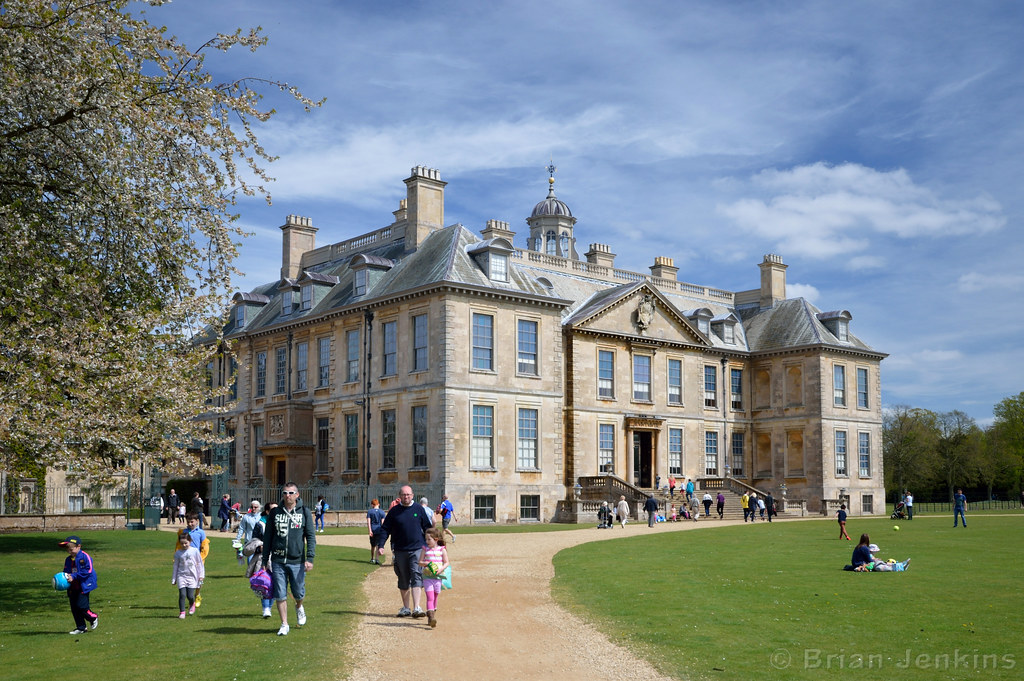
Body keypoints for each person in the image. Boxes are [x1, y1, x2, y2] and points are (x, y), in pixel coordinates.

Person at [263, 482, 315, 636]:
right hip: (278, 560)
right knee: (280, 593)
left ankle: (299, 606)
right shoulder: (275, 513)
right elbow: (268, 537)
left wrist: (310, 558)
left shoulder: (304, 512)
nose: (288, 496)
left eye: (291, 493)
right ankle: (284, 624)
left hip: (297, 560)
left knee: (298, 592)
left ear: (297, 495)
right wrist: (265, 559)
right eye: (285, 493)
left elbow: (311, 537)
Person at [378, 485, 434, 618]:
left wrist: (434, 543)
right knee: (403, 577)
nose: (406, 497)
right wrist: (381, 545)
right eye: (404, 495)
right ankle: (406, 608)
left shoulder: (419, 509)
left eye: (408, 494)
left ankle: (417, 608)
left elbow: (427, 527)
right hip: (399, 549)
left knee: (416, 575)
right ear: (399, 496)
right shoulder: (394, 511)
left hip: (417, 549)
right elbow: (385, 529)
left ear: (413, 495)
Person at [60, 536, 98, 634]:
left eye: (71, 549)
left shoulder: (85, 557)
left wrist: (74, 576)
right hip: (73, 586)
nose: (69, 551)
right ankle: (81, 628)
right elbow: (66, 571)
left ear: (79, 546)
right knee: (74, 607)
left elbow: (88, 571)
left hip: (84, 585)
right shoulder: (68, 560)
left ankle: (93, 617)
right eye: (67, 549)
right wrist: (64, 578)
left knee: (82, 606)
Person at [419, 527, 450, 628]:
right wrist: (426, 563)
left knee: (436, 596)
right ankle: (431, 617)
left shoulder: (442, 550)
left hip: (438, 578)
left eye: (429, 539)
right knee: (430, 597)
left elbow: (446, 562)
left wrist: (441, 569)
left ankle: (432, 613)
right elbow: (420, 562)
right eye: (426, 539)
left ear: (436, 539)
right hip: (428, 577)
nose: (427, 541)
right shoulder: (425, 549)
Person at [177, 512, 209, 607]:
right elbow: (179, 545)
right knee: (188, 577)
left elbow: (204, 546)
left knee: (199, 579)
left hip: (198, 559)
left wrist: (201, 557)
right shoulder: (184, 532)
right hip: (186, 560)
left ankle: (197, 594)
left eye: (192, 522)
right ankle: (189, 595)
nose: (190, 524)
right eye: (188, 522)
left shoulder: (201, 532)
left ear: (197, 521)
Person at [172, 533, 205, 618]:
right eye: (182, 543)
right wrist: (174, 578)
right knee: (182, 594)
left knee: (190, 595)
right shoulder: (178, 553)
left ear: (190, 541)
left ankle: (192, 603)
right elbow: (175, 566)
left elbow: (199, 563)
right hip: (181, 576)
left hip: (192, 576)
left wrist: (201, 575)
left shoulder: (194, 551)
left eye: (186, 543)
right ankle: (182, 612)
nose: (184, 545)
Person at [235, 500, 263, 564]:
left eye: (255, 507)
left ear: (259, 507)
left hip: (260, 541)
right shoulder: (246, 517)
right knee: (250, 561)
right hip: (249, 541)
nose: (253, 509)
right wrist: (237, 539)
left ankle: (257, 573)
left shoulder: (262, 516)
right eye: (252, 507)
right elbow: (241, 528)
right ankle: (251, 573)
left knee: (260, 561)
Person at [367, 498, 387, 564]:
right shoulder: (382, 512)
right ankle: (377, 559)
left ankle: (372, 558)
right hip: (379, 530)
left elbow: (369, 522)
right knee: (378, 545)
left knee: (372, 545)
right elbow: (383, 523)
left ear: (372, 505)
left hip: (372, 529)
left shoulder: (370, 512)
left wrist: (370, 531)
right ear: (378, 504)